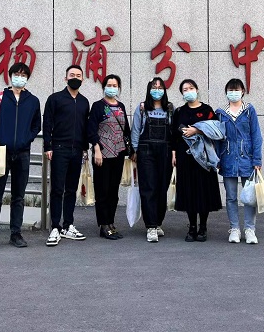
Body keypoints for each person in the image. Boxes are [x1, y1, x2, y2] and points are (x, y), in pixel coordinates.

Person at [0, 62, 41, 251]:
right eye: (17, 74)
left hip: (22, 153)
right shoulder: (0, 97)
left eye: (23, 75)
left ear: (27, 78)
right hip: (1, 152)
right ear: (10, 76)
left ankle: (16, 234)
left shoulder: (33, 101)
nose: (20, 77)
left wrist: (26, 139)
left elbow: (36, 125)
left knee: (18, 197)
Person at [43, 65, 90, 247]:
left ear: (82, 79)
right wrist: (48, 146)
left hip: (77, 151)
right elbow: (47, 122)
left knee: (71, 189)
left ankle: (68, 225)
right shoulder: (55, 99)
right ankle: (55, 226)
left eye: (78, 75)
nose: (75, 78)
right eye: (72, 75)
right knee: (57, 189)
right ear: (65, 78)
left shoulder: (84, 102)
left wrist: (85, 149)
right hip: (59, 149)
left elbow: (85, 127)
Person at [172, 79, 222, 242]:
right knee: (189, 191)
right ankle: (192, 226)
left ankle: (203, 227)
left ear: (197, 89)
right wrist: (174, 153)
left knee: (203, 191)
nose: (188, 91)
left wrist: (197, 130)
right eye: (185, 90)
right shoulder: (179, 111)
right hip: (185, 156)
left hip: (204, 158)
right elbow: (174, 135)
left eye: (191, 88)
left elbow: (216, 129)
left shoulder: (207, 110)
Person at [215, 78, 263, 244]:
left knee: (249, 197)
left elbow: (256, 135)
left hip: (247, 159)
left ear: (243, 91)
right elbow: (217, 138)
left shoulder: (249, 110)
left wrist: (257, 159)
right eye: (230, 90)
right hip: (227, 158)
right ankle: (234, 228)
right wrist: (217, 158)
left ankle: (250, 229)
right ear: (226, 92)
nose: (233, 93)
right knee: (230, 197)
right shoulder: (221, 113)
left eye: (236, 90)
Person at [87, 74, 131, 240]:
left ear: (118, 88)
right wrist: (96, 149)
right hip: (103, 154)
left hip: (118, 153)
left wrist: (130, 150)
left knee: (113, 191)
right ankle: (103, 225)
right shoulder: (98, 106)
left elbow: (126, 129)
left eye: (115, 85)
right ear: (104, 87)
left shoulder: (121, 106)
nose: (112, 88)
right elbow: (91, 129)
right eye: (109, 85)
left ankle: (111, 222)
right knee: (102, 190)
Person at [130, 77, 174, 243]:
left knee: (162, 188)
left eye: (160, 87)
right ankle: (150, 226)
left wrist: (174, 153)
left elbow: (174, 132)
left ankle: (158, 222)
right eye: (154, 87)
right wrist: (134, 150)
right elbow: (135, 130)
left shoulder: (169, 109)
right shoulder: (142, 108)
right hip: (146, 151)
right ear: (149, 90)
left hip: (165, 151)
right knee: (149, 187)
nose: (157, 90)